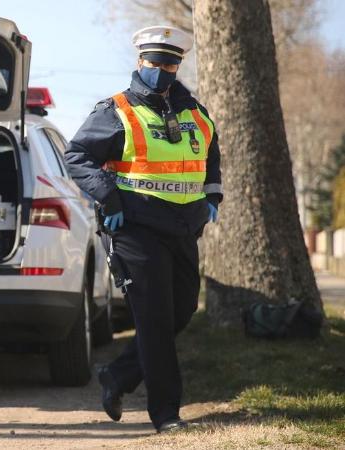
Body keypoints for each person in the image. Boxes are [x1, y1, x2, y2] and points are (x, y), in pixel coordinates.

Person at [64, 26, 222, 433]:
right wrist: (109, 197)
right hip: (135, 228)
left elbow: (211, 159)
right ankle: (166, 414)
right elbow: (77, 155)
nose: (162, 70)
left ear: (178, 65)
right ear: (140, 62)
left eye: (170, 63)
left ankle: (117, 375)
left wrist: (212, 199)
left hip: (184, 228)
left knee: (181, 311)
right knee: (153, 321)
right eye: (155, 62)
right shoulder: (115, 110)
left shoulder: (197, 113)